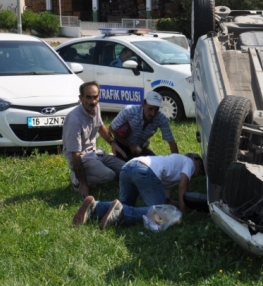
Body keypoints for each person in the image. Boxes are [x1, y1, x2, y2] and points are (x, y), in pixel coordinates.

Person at [72, 153, 205, 229]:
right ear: (194, 159)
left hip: (129, 167)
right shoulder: (188, 161)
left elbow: (166, 200)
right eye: (200, 167)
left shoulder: (170, 170)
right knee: (159, 213)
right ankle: (122, 212)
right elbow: (183, 186)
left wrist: (174, 207)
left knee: (123, 204)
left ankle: (95, 207)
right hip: (145, 171)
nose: (198, 173)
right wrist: (183, 211)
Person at [63, 81, 127, 197]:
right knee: (109, 175)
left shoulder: (96, 107)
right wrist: (83, 183)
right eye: (88, 97)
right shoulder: (74, 120)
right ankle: (76, 179)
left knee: (126, 169)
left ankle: (98, 169)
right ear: (81, 98)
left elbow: (101, 127)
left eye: (95, 97)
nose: (92, 101)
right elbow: (75, 154)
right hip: (81, 158)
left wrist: (112, 143)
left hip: (95, 153)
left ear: (99, 96)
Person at [109, 91, 178, 159]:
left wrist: (177, 161)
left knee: (156, 164)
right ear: (143, 104)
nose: (153, 114)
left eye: (156, 110)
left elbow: (171, 141)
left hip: (140, 148)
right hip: (122, 145)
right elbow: (111, 128)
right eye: (150, 109)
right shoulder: (129, 111)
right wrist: (129, 145)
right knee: (124, 166)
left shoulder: (161, 118)